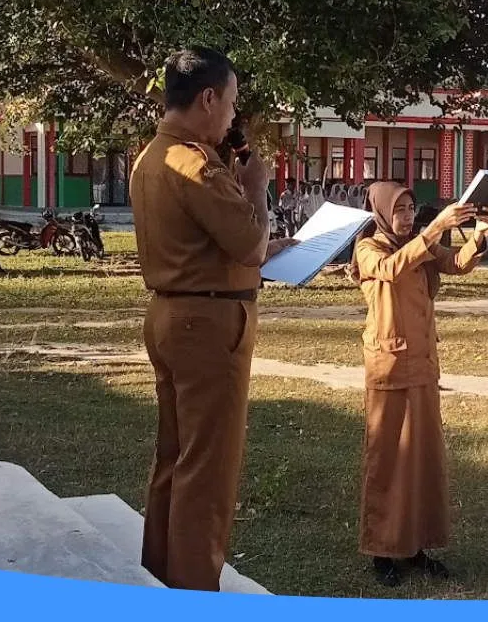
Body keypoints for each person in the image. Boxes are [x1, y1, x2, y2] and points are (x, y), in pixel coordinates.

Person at [129, 47, 296, 591]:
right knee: (208, 470)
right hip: (209, 325)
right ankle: (196, 589)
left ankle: (162, 575)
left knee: (176, 458)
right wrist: (255, 188)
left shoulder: (152, 156)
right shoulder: (196, 164)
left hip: (173, 314)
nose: (231, 117)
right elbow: (247, 243)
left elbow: (212, 245)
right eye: (229, 103)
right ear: (206, 98)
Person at [348, 182, 488, 587]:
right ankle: (382, 548)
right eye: (399, 210)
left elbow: (455, 263)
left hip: (424, 365)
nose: (408, 217)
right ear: (381, 212)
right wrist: (433, 230)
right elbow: (392, 269)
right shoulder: (369, 248)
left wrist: (480, 233)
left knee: (423, 460)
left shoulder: (419, 242)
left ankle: (416, 545)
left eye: (412, 208)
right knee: (388, 461)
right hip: (390, 367)